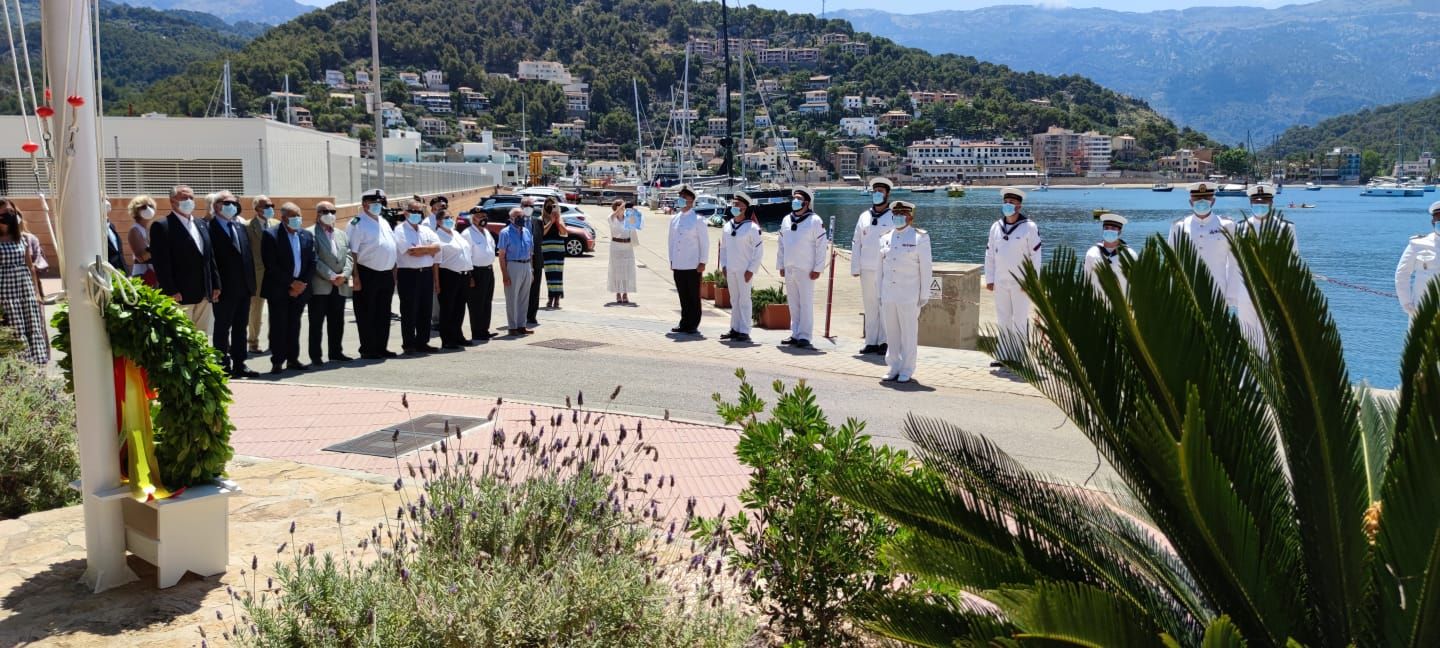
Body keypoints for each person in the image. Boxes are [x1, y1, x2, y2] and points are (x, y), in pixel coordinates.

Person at [149, 184, 221, 336]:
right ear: (172, 201)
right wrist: (171, 289)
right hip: (181, 295)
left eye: (191, 197)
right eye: (184, 198)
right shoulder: (162, 226)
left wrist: (215, 284)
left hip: (204, 293)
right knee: (182, 337)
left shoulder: (201, 224)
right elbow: (161, 262)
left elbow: (210, 256)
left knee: (202, 336)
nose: (188, 201)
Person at [877, 201, 933, 383]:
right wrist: (879, 292)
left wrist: (924, 294)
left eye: (902, 213)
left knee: (908, 332)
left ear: (910, 217)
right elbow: (880, 269)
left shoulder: (920, 238)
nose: (898, 217)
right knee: (891, 332)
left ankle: (907, 368)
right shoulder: (885, 237)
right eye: (896, 213)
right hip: (888, 293)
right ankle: (893, 365)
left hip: (908, 294)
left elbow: (926, 268)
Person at [984, 187, 1042, 353]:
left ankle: (1018, 355)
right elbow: (989, 253)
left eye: (1012, 202)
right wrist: (989, 278)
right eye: (1006, 202)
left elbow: (1036, 256)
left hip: (1021, 282)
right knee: (1003, 319)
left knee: (1020, 319)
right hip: (1001, 281)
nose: (1008, 205)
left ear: (1019, 206)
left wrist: (1031, 281)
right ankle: (1003, 353)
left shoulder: (1029, 227)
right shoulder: (996, 226)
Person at [207, 190, 259, 378]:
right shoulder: (209, 228)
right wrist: (214, 285)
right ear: (216, 206)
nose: (232, 205)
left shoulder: (238, 227)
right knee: (222, 327)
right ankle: (222, 364)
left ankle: (240, 363)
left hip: (243, 287)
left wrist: (251, 285)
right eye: (226, 202)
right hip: (223, 289)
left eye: (233, 202)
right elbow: (210, 261)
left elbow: (247, 257)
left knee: (240, 326)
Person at [260, 203, 316, 374]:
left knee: (294, 325)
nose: (298, 219)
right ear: (284, 218)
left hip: (301, 290)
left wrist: (301, 284)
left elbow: (312, 261)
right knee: (279, 326)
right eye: (293, 216)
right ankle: (277, 361)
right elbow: (271, 265)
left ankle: (293, 359)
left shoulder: (306, 235)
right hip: (279, 289)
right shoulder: (271, 235)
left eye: (299, 215)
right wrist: (291, 283)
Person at [1168, 181, 1241, 311]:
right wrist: (1173, 292)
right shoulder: (1178, 226)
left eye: (1206, 198)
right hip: (1188, 290)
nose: (1202, 201)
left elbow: (1234, 262)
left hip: (1218, 291)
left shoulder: (1227, 225)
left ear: (1213, 201)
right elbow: (1172, 262)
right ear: (1191, 201)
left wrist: (1232, 295)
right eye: (1197, 198)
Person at [349, 188, 399, 360]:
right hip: (366, 273)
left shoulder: (383, 221)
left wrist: (393, 273)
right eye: (373, 203)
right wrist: (355, 277)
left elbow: (390, 248)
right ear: (364, 204)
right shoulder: (357, 223)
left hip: (385, 273)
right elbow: (352, 252)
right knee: (367, 313)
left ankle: (381, 347)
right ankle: (368, 349)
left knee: (383, 313)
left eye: (379, 203)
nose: (377, 206)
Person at [777, 187, 827, 349]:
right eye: (794, 198)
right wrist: (781, 264)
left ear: (806, 202)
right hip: (790, 267)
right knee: (793, 302)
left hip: (806, 269)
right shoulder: (786, 219)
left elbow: (821, 246)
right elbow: (781, 244)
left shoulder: (815, 221)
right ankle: (795, 333)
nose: (795, 201)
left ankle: (805, 336)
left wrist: (818, 268)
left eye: (798, 199)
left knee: (805, 303)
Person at [851, 177, 895, 354]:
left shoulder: (893, 216)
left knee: (885, 305)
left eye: (881, 191)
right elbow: (856, 242)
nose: (877, 194)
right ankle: (871, 341)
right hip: (866, 268)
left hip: (885, 269)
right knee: (869, 306)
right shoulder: (864, 216)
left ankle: (885, 341)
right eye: (875, 191)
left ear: (887, 194)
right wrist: (855, 267)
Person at [0, 201, 48, 364]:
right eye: (5, 212)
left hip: (24, 289)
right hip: (5, 292)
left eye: (11, 211)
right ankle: (17, 365)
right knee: (13, 328)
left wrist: (36, 293)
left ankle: (35, 363)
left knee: (32, 326)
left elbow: (30, 267)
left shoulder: (22, 238)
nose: (10, 215)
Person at [308, 201, 353, 366]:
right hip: (321, 285)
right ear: (317, 213)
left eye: (332, 211)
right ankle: (316, 355)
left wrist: (345, 274)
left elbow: (348, 255)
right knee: (316, 323)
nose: (329, 214)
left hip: (340, 284)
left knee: (337, 321)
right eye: (325, 211)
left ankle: (336, 352)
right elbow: (314, 258)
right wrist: (331, 276)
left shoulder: (341, 234)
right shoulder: (310, 233)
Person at [394, 199, 442, 354]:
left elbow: (438, 247)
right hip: (409, 274)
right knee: (409, 310)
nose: (417, 215)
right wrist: (428, 250)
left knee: (425, 309)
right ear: (406, 212)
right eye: (414, 211)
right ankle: (408, 343)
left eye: (420, 212)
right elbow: (410, 251)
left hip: (426, 273)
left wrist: (424, 249)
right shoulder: (400, 230)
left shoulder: (425, 230)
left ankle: (423, 342)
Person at [719, 192, 763, 343]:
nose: (734, 207)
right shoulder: (726, 226)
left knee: (744, 300)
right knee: (734, 300)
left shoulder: (752, 228)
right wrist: (723, 265)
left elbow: (759, 251)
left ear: (745, 207)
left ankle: (744, 330)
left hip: (745, 270)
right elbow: (723, 248)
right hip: (730, 269)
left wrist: (752, 270)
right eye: (733, 204)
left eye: (737, 204)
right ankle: (734, 328)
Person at [668, 184, 709, 335]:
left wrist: (703, 261)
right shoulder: (674, 219)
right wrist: (672, 259)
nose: (681, 199)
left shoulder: (698, 219)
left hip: (693, 264)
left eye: (684, 197)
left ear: (691, 200)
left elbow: (704, 243)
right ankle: (684, 322)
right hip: (678, 263)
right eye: (681, 197)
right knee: (683, 295)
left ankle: (693, 323)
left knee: (693, 296)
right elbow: (671, 241)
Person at [1395, 200, 1440, 318]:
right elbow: (1402, 274)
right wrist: (1407, 304)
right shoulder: (1418, 244)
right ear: (1433, 222)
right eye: (1439, 218)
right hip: (1424, 310)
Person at [434, 212, 473, 349]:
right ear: (438, 221)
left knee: (459, 308)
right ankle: (447, 339)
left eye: (451, 217)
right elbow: (436, 263)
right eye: (446, 218)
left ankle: (458, 335)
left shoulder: (456, 233)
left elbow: (466, 254)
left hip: (463, 275)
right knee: (447, 309)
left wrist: (470, 275)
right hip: (448, 275)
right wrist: (437, 282)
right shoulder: (437, 236)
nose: (449, 220)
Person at [244, 195, 276, 353]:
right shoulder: (248, 226)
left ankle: (274, 340)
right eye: (266, 206)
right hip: (257, 274)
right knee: (256, 310)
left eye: (272, 205)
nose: (270, 208)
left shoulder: (277, 224)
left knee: (276, 309)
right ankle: (253, 342)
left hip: (276, 274)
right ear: (257, 209)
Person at [498, 206, 535, 335]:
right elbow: (501, 256)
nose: (521, 219)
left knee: (524, 298)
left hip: (526, 266)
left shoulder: (526, 231)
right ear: (511, 219)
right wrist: (505, 275)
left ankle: (521, 325)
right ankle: (512, 327)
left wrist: (531, 269)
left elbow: (530, 253)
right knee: (512, 298)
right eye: (518, 217)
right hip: (513, 266)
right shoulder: (505, 233)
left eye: (522, 216)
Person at [462, 209, 497, 341]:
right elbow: (466, 256)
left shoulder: (486, 232)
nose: (483, 218)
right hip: (476, 272)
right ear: (473, 218)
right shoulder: (467, 234)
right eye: (479, 216)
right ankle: (477, 331)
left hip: (488, 270)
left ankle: (484, 329)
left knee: (487, 302)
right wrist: (470, 276)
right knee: (476, 303)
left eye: (484, 216)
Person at [1083, 213, 1136, 296]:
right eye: (1106, 228)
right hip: (1097, 304)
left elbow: (1135, 282)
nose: (1109, 230)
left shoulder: (1130, 254)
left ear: (1120, 231)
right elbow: (1086, 279)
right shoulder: (1092, 252)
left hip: (1122, 305)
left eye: (1113, 228)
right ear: (1103, 230)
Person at [1241, 183, 1298, 254]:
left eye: (1264, 202)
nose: (1260, 205)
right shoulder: (1240, 227)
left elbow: (1293, 255)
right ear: (1251, 203)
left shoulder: (1286, 227)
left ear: (1271, 203)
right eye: (1256, 202)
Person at [607, 199, 638, 304]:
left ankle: (625, 293)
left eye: (623, 207)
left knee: (626, 271)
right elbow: (613, 215)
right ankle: (617, 293)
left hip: (627, 246)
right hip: (616, 246)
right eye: (620, 206)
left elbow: (637, 224)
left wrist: (632, 211)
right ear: (615, 208)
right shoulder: (611, 218)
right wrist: (621, 206)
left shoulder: (628, 219)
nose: (622, 208)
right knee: (616, 271)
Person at [540, 201, 567, 309]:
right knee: (549, 275)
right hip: (546, 249)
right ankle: (550, 297)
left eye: (553, 206)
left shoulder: (560, 219)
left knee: (558, 275)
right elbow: (542, 232)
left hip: (558, 249)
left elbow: (564, 232)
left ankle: (557, 298)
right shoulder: (541, 219)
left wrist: (557, 221)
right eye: (549, 206)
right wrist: (551, 221)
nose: (550, 208)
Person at [126, 195, 158, 286]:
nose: (148, 209)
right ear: (136, 210)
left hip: (153, 273)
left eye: (150, 206)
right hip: (143, 275)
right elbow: (141, 257)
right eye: (143, 207)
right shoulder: (135, 230)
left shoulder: (146, 229)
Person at [522, 196, 544, 327]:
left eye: (530, 205)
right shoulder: (515, 222)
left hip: (536, 260)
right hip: (522, 261)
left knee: (535, 289)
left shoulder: (537, 222)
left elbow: (540, 241)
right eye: (525, 205)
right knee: (522, 289)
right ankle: (521, 315)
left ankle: (531, 316)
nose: (528, 208)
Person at [105, 203, 128, 275]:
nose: (107, 202)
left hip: (119, 271)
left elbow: (118, 253)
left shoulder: (111, 226)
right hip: (108, 272)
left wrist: (127, 272)